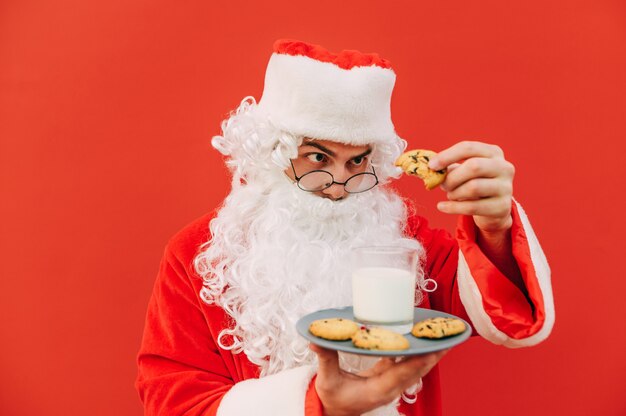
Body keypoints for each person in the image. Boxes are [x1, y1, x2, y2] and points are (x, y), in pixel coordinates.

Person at [136, 39, 554, 416]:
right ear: (274, 154)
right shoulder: (199, 255)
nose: (338, 187)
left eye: (358, 162)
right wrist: (314, 404)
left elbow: (504, 317)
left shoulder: (406, 241)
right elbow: (172, 399)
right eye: (318, 159)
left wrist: (495, 224)